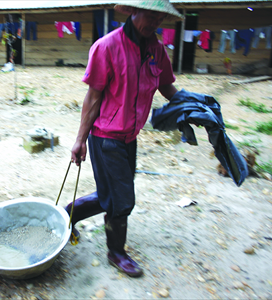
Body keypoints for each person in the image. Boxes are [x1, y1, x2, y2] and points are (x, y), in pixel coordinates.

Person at [66, 0, 183, 277]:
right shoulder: (107, 47)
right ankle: (116, 251)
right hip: (106, 136)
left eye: (159, 19)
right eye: (150, 16)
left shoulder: (157, 50)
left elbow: (167, 86)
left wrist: (192, 105)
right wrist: (80, 139)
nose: (154, 23)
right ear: (133, 11)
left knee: (111, 194)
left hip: (130, 137)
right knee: (121, 200)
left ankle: (68, 214)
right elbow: (93, 97)